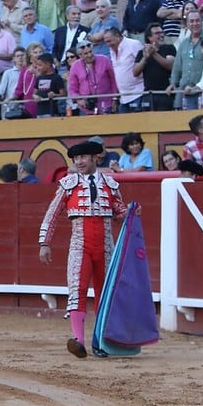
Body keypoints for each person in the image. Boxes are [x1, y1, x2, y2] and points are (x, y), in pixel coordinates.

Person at [38, 140, 129, 359]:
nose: (79, 162)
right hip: (80, 245)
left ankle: (100, 342)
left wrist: (131, 212)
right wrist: (44, 243)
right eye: (75, 159)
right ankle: (78, 341)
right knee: (77, 291)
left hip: (106, 246)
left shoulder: (110, 184)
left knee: (104, 294)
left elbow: (119, 213)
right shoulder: (67, 184)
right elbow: (52, 214)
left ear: (95, 158)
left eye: (83, 158)